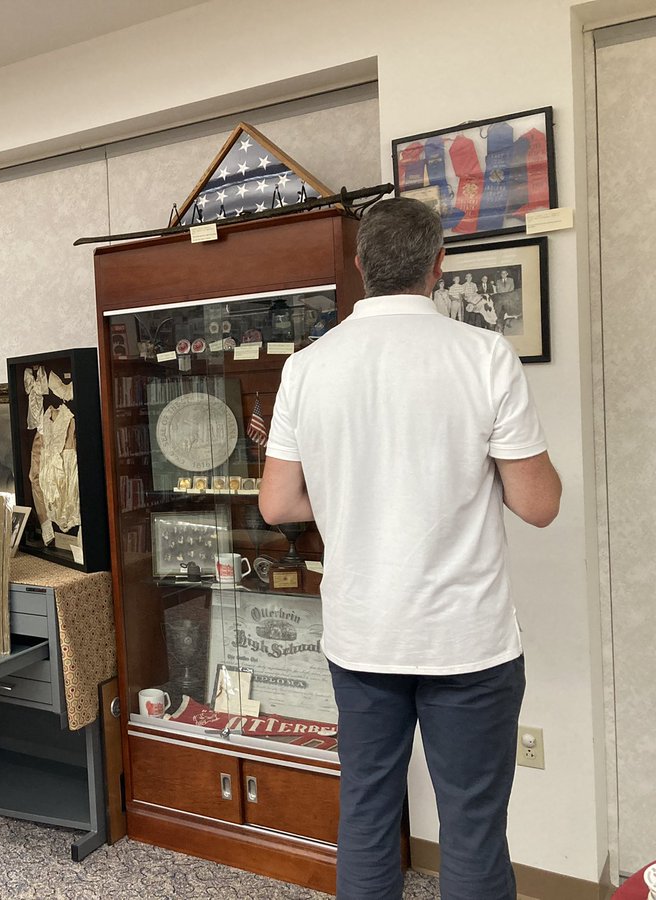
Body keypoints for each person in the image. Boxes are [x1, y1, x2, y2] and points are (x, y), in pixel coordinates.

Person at [258, 198, 561, 900]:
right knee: (473, 826)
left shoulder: (307, 367)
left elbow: (277, 505)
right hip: (469, 642)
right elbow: (538, 505)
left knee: (365, 814)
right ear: (438, 265)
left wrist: (344, 503)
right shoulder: (483, 355)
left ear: (359, 264)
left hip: (363, 636)